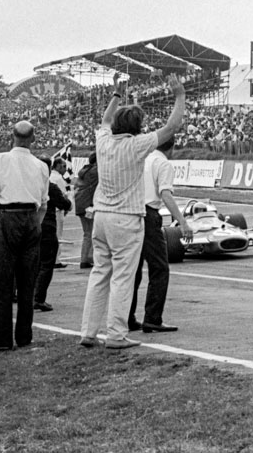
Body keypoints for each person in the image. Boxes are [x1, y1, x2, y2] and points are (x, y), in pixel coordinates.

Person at [79, 72, 185, 350]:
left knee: (100, 274)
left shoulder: (102, 142)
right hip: (126, 218)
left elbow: (104, 120)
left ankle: (88, 332)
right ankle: (115, 334)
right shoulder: (137, 144)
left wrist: (116, 94)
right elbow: (170, 128)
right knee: (123, 278)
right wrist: (180, 96)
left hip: (101, 215)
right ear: (137, 127)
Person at [0, 121, 49, 357]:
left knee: (1, 281)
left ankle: (0, 339)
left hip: (7, 217)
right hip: (31, 217)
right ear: (33, 139)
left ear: (12, 137)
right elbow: (44, 204)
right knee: (27, 281)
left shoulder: (0, 159)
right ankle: (24, 337)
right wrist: (33, 224)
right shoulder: (41, 165)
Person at [128, 136, 193, 333]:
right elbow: (165, 194)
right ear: (171, 148)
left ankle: (126, 316)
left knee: (133, 269)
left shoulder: (143, 159)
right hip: (149, 215)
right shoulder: (163, 163)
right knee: (159, 268)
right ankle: (153, 318)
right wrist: (183, 222)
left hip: (132, 213)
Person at [33, 155, 72, 312]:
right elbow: (65, 204)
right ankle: (39, 298)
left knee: (31, 264)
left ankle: (26, 295)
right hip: (47, 227)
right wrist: (67, 198)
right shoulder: (50, 186)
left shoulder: (29, 184)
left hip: (30, 226)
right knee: (46, 264)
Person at [74, 152, 98, 269]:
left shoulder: (84, 171)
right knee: (91, 233)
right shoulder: (95, 171)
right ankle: (87, 258)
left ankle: (85, 258)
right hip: (89, 204)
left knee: (87, 233)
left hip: (81, 204)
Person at [49, 157, 69, 269]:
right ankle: (56, 259)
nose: (65, 169)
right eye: (63, 166)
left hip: (50, 210)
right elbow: (63, 196)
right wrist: (66, 208)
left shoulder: (50, 177)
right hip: (57, 210)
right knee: (58, 235)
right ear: (57, 166)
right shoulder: (58, 179)